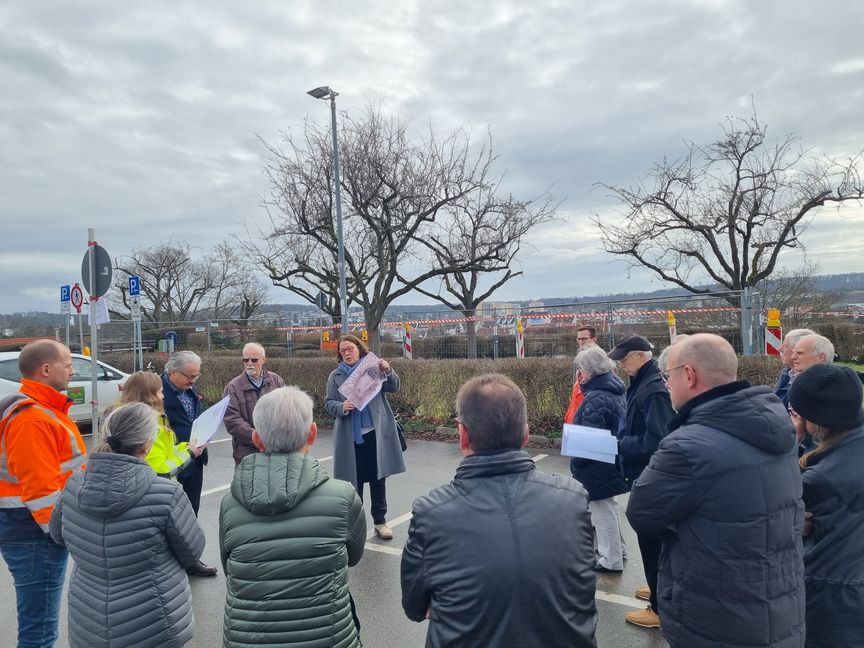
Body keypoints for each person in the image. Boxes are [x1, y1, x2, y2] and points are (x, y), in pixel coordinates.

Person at [626, 334, 805, 648]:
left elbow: (642, 514)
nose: (666, 384)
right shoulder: (775, 423)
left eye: (668, 376)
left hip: (715, 612)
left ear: (689, 375)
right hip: (778, 603)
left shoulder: (687, 445)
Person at [401, 374, 598, 648]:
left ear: (463, 435)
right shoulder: (573, 499)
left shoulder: (431, 514)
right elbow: (581, 582)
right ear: (526, 434)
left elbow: (414, 607)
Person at [49, 403, 205, 648]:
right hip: (154, 620)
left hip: (88, 617)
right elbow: (192, 551)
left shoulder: (74, 484)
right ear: (147, 444)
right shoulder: (167, 494)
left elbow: (58, 535)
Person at [220, 386, 365, 648]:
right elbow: (353, 557)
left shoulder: (230, 504)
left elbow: (230, 568)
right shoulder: (343, 497)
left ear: (257, 440)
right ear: (312, 434)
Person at [0, 339, 85, 648]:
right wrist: (60, 534)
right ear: (46, 369)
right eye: (68, 365)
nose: (73, 371)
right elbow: (40, 492)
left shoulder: (40, 409)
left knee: (40, 626)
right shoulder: (33, 418)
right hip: (36, 535)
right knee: (39, 632)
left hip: (31, 532)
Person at [789, 364, 864, 648]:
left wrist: (792, 441)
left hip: (832, 592)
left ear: (815, 417)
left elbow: (778, 499)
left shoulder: (823, 477)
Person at [607, 334, 675, 628]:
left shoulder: (653, 389)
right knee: (652, 541)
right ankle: (657, 584)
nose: (621, 364)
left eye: (624, 359)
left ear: (641, 356)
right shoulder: (642, 382)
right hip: (644, 473)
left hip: (650, 474)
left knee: (652, 539)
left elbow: (656, 439)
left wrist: (620, 445)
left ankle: (659, 606)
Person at [324, 335, 404, 540]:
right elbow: (328, 403)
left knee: (378, 479)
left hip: (375, 434)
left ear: (359, 348)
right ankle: (356, 526)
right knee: (353, 483)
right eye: (342, 351)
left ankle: (380, 522)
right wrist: (341, 406)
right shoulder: (335, 376)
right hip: (350, 438)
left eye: (350, 349)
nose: (346, 353)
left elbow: (394, 387)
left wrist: (388, 370)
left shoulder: (373, 368)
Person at [569, 346, 629, 573]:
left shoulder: (596, 396)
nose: (580, 373)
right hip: (609, 459)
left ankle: (610, 559)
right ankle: (618, 550)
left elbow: (588, 436)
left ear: (590, 370)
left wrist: (577, 462)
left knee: (601, 511)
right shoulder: (613, 390)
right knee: (608, 507)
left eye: (581, 368)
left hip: (596, 464)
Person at [161, 350, 218, 577]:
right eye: (189, 376)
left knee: (191, 511)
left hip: (194, 459)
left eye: (196, 376)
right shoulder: (158, 392)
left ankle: (191, 558)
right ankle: (170, 561)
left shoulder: (189, 390)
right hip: (171, 463)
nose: (193, 381)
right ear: (173, 372)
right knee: (171, 515)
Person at [112, 371, 204, 480]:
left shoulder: (121, 419)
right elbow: (161, 471)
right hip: (157, 487)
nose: (163, 396)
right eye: (160, 392)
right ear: (150, 396)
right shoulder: (150, 428)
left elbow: (163, 453)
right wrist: (190, 453)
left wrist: (186, 447)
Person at [223, 342, 285, 465]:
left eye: (254, 360)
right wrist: (257, 438)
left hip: (276, 451)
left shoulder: (276, 381)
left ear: (263, 360)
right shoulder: (233, 387)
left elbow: (287, 411)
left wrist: (277, 438)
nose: (249, 364)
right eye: (245, 360)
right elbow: (232, 421)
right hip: (247, 455)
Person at [565, 326, 599, 423]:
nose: (581, 342)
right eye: (579, 339)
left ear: (594, 339)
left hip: (588, 417)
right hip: (576, 417)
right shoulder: (579, 359)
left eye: (584, 339)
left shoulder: (600, 361)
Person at [774, 328, 815, 407]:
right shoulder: (787, 374)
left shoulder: (810, 383)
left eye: (785, 346)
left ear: (798, 349)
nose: (780, 349)